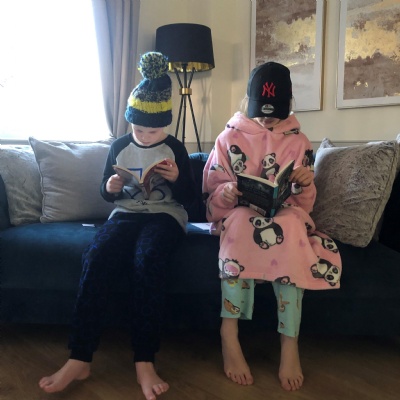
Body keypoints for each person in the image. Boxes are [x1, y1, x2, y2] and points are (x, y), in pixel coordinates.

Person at [39, 52, 195, 400]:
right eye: (139, 129)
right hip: (125, 213)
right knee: (96, 255)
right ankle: (79, 357)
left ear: (166, 124)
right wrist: (109, 188)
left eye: (154, 130)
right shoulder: (120, 146)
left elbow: (191, 200)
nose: (146, 136)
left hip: (166, 215)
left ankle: (144, 360)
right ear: (130, 122)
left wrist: (177, 179)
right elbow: (106, 192)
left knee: (147, 258)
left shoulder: (175, 148)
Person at [202, 62, 342, 391]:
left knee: (292, 227)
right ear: (247, 103)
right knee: (239, 223)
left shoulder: (299, 141)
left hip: (284, 213)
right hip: (238, 213)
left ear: (288, 104)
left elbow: (304, 206)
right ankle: (229, 333)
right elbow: (211, 196)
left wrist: (304, 184)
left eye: (275, 113)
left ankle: (289, 342)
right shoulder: (227, 138)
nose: (267, 119)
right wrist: (225, 192)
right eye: (260, 111)